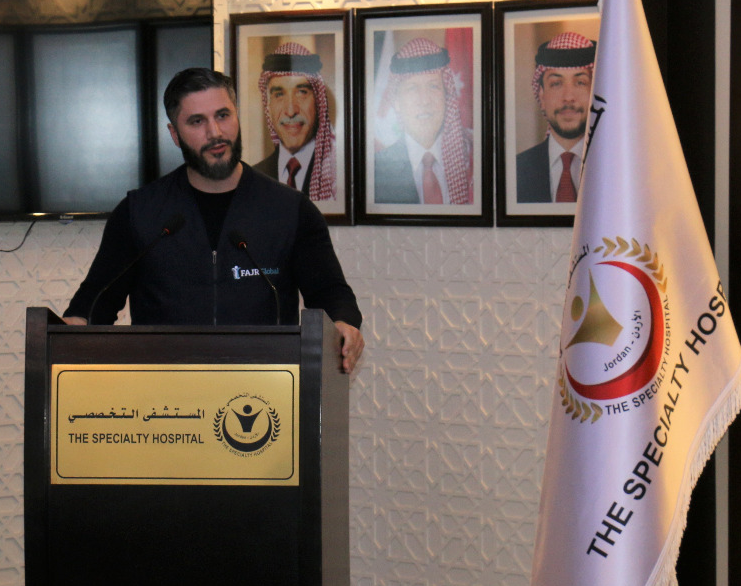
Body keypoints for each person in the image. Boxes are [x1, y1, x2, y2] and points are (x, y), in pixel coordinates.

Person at [64, 68, 364, 373]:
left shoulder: (291, 210)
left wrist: (343, 324)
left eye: (223, 115)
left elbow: (330, 293)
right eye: (197, 121)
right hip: (163, 389)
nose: (215, 132)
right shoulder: (139, 213)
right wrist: (70, 327)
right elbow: (94, 304)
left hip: (263, 387)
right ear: (175, 134)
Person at [372, 37, 475, 205]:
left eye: (434, 86)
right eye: (412, 88)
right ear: (396, 102)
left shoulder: (473, 159)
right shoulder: (375, 172)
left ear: (446, 95)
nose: (425, 100)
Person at [515, 32, 596, 203]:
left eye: (580, 82)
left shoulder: (618, 167)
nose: (568, 97)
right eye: (556, 84)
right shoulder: (517, 171)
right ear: (542, 96)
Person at [250, 43, 337, 200]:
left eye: (302, 92)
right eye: (279, 94)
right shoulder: (253, 178)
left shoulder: (337, 177)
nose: (290, 111)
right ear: (268, 105)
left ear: (318, 101)